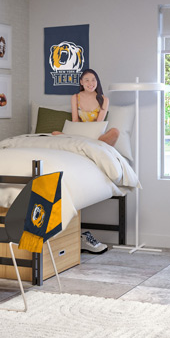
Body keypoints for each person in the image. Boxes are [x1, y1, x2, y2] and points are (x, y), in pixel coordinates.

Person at [54, 68, 120, 255]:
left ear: (97, 82)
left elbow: (99, 125)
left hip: (95, 136)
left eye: (93, 80)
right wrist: (77, 136)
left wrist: (90, 138)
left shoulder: (103, 100)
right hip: (78, 134)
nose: (90, 83)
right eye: (86, 80)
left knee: (114, 132)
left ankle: (97, 149)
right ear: (81, 82)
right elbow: (75, 120)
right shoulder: (75, 97)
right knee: (55, 134)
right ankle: (83, 145)